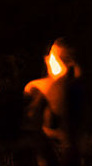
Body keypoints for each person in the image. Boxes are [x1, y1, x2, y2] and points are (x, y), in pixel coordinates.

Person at [22, 38, 81, 166]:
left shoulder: (40, 88)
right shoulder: (80, 86)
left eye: (52, 55)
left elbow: (30, 124)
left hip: (55, 155)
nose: (47, 59)